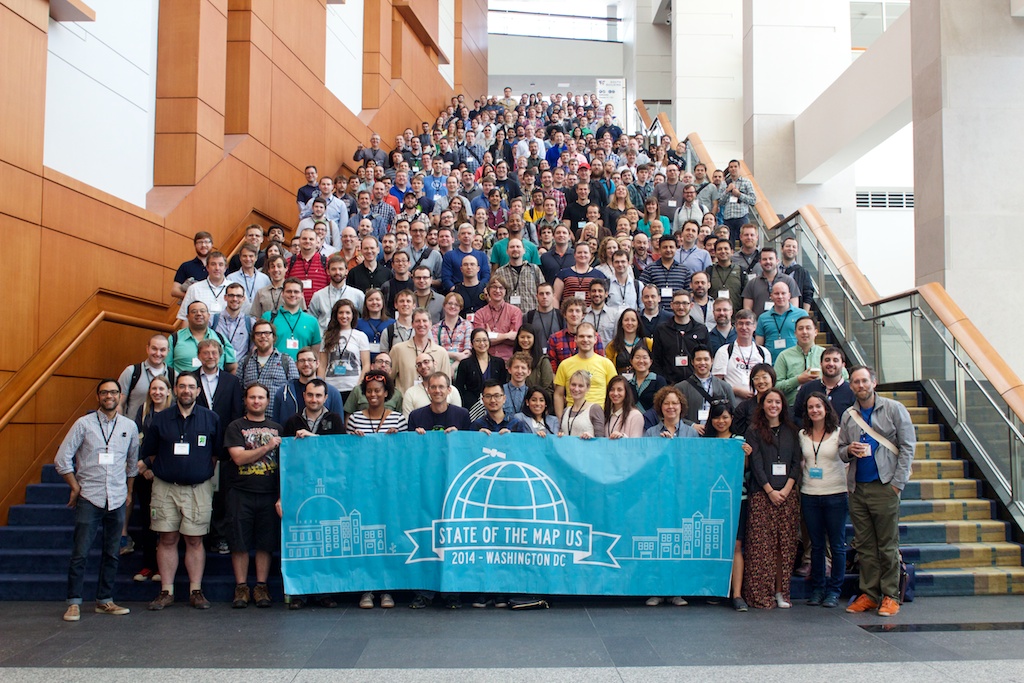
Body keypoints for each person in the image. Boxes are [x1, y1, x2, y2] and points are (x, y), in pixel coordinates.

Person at [56, 379, 140, 622]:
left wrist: (129, 492)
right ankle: (74, 602)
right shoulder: (83, 424)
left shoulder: (129, 426)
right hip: (89, 496)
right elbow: (62, 459)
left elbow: (132, 464)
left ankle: (105, 600)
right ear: (98, 397)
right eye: (104, 393)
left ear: (120, 396)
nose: (109, 396)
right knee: (80, 553)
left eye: (113, 392)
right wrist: (75, 487)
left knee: (112, 553)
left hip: (117, 497)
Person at [839, 366, 916, 618]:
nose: (860, 385)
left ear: (874, 382)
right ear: (851, 386)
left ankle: (890, 595)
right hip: (858, 487)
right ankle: (870, 594)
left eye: (864, 381)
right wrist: (849, 450)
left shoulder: (894, 409)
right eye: (855, 382)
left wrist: (897, 483)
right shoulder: (849, 415)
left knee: (887, 544)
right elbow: (840, 449)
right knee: (865, 545)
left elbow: (908, 446)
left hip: (885, 485)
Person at [142, 373, 221, 611]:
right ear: (175, 390)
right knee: (166, 538)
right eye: (182, 386)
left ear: (198, 391)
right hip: (165, 488)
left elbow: (215, 454)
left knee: (195, 540)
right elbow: (150, 452)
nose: (186, 390)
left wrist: (196, 471)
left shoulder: (211, 418)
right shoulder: (160, 419)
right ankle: (166, 591)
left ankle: (195, 591)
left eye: (191, 387)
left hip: (198, 489)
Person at [223, 382, 283, 609]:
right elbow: (239, 458)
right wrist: (266, 447)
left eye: (261, 397)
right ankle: (241, 587)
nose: (256, 401)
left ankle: (261, 587)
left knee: (265, 544)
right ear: (245, 400)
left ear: (268, 401)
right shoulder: (235, 427)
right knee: (239, 542)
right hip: (241, 492)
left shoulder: (278, 428)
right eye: (252, 397)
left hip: (269, 493)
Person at [744, 388, 801, 610]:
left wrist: (786, 490)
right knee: (761, 548)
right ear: (763, 405)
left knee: (783, 547)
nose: (773, 405)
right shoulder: (754, 431)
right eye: (769, 401)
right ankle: (761, 593)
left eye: (777, 402)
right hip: (762, 494)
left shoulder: (792, 431)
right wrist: (770, 491)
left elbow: (796, 463)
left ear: (783, 405)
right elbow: (756, 464)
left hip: (787, 495)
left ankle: (780, 591)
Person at [702, 403, 753, 612]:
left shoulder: (739, 441)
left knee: (736, 546)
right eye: (716, 417)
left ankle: (737, 593)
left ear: (731, 418)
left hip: (737, 499)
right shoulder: (705, 442)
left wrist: (747, 455)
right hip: (709, 502)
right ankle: (716, 589)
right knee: (713, 545)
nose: (721, 421)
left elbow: (745, 469)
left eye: (725, 417)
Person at [799, 392, 847, 609]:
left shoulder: (839, 433)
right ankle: (818, 589)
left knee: (836, 545)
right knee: (816, 546)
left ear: (826, 408)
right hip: (810, 494)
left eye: (818, 406)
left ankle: (834, 590)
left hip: (836, 494)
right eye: (810, 407)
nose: (814, 410)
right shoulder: (802, 434)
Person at [236, 319, 298, 421]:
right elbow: (238, 392)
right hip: (250, 420)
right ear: (253, 338)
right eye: (259, 333)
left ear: (273, 337)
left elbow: (294, 392)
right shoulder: (244, 362)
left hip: (277, 420)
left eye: (267, 333)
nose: (263, 336)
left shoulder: (286, 361)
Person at [552, 322, 617, 418]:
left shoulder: (606, 364)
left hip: (599, 418)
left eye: (589, 336)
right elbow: (559, 395)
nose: (585, 340)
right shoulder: (565, 365)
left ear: (595, 339)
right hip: (572, 418)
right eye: (581, 336)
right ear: (575, 339)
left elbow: (614, 393)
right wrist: (561, 419)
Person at [650, 290, 709, 384]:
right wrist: (664, 382)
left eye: (685, 303)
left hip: (696, 384)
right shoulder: (661, 330)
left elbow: (708, 358)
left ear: (691, 305)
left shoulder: (701, 330)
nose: (681, 307)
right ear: (671, 305)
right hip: (669, 385)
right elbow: (656, 361)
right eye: (677, 303)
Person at [273, 346, 345, 422]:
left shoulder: (332, 392)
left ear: (317, 363)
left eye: (310, 360)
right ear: (296, 364)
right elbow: (276, 424)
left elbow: (338, 424)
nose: (306, 364)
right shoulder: (284, 392)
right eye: (302, 361)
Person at [319, 299, 371, 402]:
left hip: (353, 386)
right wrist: (321, 385)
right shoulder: (327, 336)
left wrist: (359, 386)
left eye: (348, 313)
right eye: (341, 312)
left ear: (353, 315)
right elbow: (322, 365)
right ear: (336, 315)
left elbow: (366, 365)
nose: (344, 316)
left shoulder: (360, 336)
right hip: (331, 386)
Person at [390, 308, 452, 394]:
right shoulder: (398, 350)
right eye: (417, 321)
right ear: (412, 324)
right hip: (406, 400)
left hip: (433, 401)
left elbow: (447, 383)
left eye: (424, 321)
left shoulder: (441, 352)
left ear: (430, 324)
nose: (421, 324)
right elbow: (389, 378)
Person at [117, 334, 173, 427]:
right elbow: (119, 403)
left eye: (162, 350)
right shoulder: (132, 372)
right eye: (154, 349)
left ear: (168, 351)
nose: (158, 353)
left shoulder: (173, 375)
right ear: (147, 349)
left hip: (165, 430)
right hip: (133, 430)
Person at [676, 347, 736, 434]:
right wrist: (692, 425)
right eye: (698, 359)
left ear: (712, 361)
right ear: (692, 362)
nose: (702, 363)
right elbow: (673, 415)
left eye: (706, 359)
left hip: (718, 434)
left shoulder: (725, 387)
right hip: (690, 434)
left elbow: (734, 413)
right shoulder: (681, 388)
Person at [263, 278, 322, 360]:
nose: (292, 295)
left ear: (302, 295)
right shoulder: (269, 317)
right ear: (282, 294)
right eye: (289, 291)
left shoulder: (312, 321)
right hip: (274, 366)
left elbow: (315, 353)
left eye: (296, 292)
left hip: (302, 366)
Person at [794, 346, 855, 423]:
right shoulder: (807, 388)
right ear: (821, 363)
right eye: (827, 360)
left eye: (835, 360)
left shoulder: (852, 391)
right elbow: (797, 416)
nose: (831, 364)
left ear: (843, 365)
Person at [454, 328, 509, 412]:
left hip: (495, 404)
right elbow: (459, 388)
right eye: (477, 340)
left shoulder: (499, 363)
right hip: (472, 407)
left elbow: (503, 385)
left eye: (484, 340)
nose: (482, 343)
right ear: (472, 343)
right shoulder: (465, 364)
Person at [774, 316, 826, 405]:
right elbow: (776, 387)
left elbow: (843, 379)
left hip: (822, 407)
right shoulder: (784, 356)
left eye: (808, 328)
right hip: (792, 407)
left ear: (815, 332)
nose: (804, 332)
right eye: (801, 329)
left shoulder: (825, 355)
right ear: (795, 333)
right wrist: (797, 380)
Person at [307, 255, 364, 332]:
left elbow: (366, 318)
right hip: (324, 337)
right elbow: (310, 322)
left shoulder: (357, 295)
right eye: (333, 269)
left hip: (349, 337)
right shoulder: (318, 296)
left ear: (346, 271)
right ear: (328, 271)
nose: (337, 272)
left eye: (340, 269)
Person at [472, 279, 523, 362]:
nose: (497, 291)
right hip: (485, 361)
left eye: (501, 288)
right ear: (488, 290)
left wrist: (490, 336)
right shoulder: (479, 314)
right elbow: (480, 341)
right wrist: (507, 335)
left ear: (506, 291)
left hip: (508, 361)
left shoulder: (515, 312)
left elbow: (514, 340)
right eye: (494, 287)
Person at [640, 233, 692, 312]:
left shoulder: (684, 270)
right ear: (659, 249)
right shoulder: (649, 269)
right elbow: (642, 290)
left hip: (678, 312)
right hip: (657, 314)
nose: (668, 250)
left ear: (676, 248)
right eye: (665, 247)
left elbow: (689, 293)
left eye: (671, 247)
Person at [408, 372, 472, 433]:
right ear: (428, 390)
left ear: (449, 390)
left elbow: (468, 439)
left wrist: (457, 435)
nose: (437, 391)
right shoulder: (415, 417)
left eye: (441, 387)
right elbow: (410, 440)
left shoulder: (462, 415)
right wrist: (416, 436)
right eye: (433, 387)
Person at [741, 247, 798, 316]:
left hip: (784, 322)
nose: (768, 262)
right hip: (759, 322)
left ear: (777, 261)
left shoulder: (789, 281)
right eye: (764, 259)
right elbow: (747, 310)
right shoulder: (752, 283)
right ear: (760, 262)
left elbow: (794, 308)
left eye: (771, 259)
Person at [754, 281, 808, 353]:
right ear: (771, 296)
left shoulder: (801, 314)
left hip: (796, 358)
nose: (780, 296)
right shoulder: (763, 318)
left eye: (783, 293)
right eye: (776, 293)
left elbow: (809, 340)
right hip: (771, 359)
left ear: (789, 295)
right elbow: (759, 344)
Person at [211, 283, 255, 360]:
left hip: (241, 366)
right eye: (231, 295)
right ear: (225, 297)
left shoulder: (250, 322)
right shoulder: (213, 320)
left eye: (239, 296)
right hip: (218, 364)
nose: (235, 299)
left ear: (243, 299)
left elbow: (253, 348)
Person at [557, 370, 606, 439]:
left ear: (587, 388)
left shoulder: (594, 409)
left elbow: (600, 439)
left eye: (581, 386)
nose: (576, 389)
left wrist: (591, 438)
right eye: (573, 385)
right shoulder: (566, 411)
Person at [732, 363, 776, 437]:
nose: (761, 381)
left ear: (772, 379)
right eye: (756, 378)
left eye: (764, 377)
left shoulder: (780, 404)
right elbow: (738, 432)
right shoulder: (744, 407)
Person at [552, 242, 602, 307]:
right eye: (579, 252)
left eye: (585, 252)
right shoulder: (563, 274)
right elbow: (555, 298)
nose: (582, 255)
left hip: (590, 312)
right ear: (574, 255)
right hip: (568, 311)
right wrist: (556, 312)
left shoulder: (599, 275)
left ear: (590, 255)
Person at [721, 160, 757, 244]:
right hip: (728, 217)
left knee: (744, 241)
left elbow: (753, 200)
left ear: (739, 168)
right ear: (729, 169)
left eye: (735, 166)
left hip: (742, 216)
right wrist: (727, 191)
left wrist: (739, 195)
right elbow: (720, 202)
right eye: (731, 167)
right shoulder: (724, 183)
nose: (733, 169)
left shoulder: (746, 182)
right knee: (728, 243)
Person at [432, 292, 473, 367]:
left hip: (462, 365)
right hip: (442, 364)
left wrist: (454, 366)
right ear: (444, 305)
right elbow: (435, 351)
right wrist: (455, 355)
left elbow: (468, 351)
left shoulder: (467, 325)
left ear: (460, 308)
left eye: (456, 305)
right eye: (449, 303)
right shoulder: (435, 328)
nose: (453, 306)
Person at [706, 238, 745, 312]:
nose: (723, 251)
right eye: (719, 249)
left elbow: (745, 295)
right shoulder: (709, 271)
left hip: (736, 315)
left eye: (726, 249)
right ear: (715, 252)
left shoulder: (741, 271)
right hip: (714, 314)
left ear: (732, 252)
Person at [171, 231, 213, 299]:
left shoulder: (219, 267)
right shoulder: (186, 266)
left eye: (206, 242)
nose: (203, 245)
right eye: (200, 242)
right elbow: (174, 291)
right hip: (192, 304)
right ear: (195, 245)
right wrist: (193, 298)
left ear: (212, 244)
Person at [627, 345, 667, 413]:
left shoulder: (659, 381)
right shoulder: (628, 383)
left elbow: (661, 404)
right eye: (637, 357)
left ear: (650, 361)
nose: (641, 361)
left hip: (653, 419)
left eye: (645, 357)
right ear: (631, 361)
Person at [356, 288, 394, 358]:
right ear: (365, 303)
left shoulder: (392, 323)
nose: (374, 302)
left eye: (377, 299)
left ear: (382, 302)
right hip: (363, 359)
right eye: (370, 300)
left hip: (385, 360)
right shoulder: (357, 323)